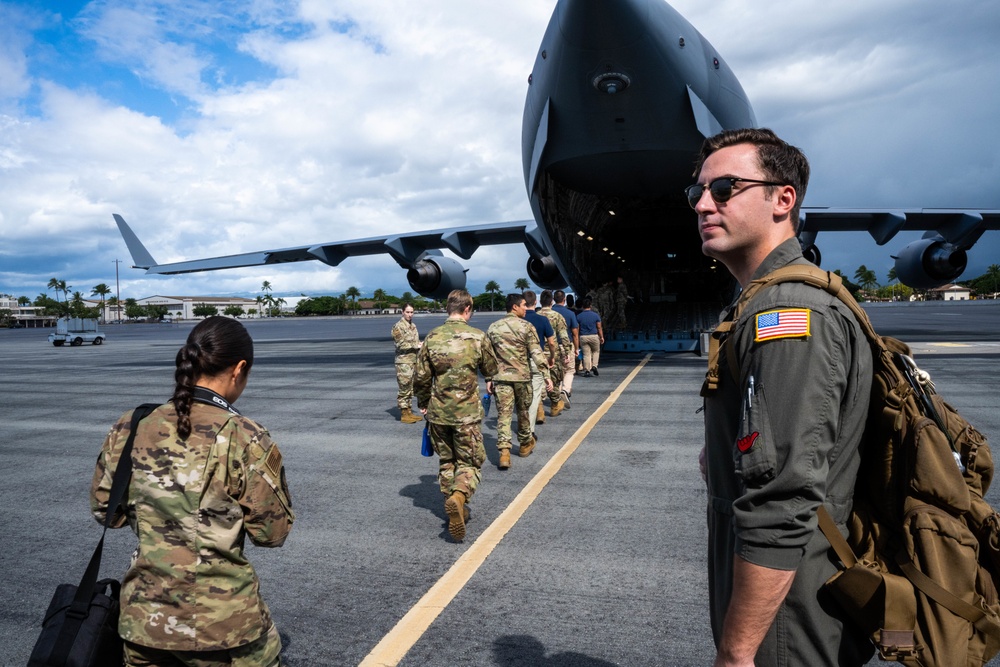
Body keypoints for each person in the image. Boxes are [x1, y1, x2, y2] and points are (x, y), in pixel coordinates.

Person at [692, 128, 873, 666]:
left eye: (724, 188)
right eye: (697, 192)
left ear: (783, 199)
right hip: (784, 598)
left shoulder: (790, 317)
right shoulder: (762, 304)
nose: (703, 204)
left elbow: (781, 501)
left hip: (788, 617)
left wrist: (738, 652)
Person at [91, 316, 294, 666]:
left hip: (145, 622)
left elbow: (105, 511)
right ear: (239, 369)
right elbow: (271, 533)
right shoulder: (243, 434)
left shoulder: (132, 423)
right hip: (225, 628)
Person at [413, 289, 498, 542]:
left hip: (438, 414)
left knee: (447, 461)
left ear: (448, 308)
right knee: (470, 463)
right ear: (468, 309)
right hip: (466, 415)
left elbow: (420, 377)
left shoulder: (432, 336)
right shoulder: (477, 337)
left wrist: (423, 402)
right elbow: (491, 369)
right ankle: (459, 497)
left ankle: (453, 502)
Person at [485, 293, 553, 470]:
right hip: (522, 378)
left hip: (501, 378)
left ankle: (504, 453)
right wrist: (546, 375)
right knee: (523, 412)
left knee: (504, 415)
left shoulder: (493, 327)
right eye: (523, 305)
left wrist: (488, 378)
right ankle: (524, 444)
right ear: (514, 307)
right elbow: (537, 353)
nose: (526, 308)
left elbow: (487, 357)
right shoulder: (526, 326)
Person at [521, 290, 557, 430]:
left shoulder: (519, 320)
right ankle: (532, 424)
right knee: (536, 392)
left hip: (519, 361)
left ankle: (534, 416)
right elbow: (552, 342)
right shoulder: (542, 319)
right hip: (537, 358)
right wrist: (551, 357)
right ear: (535, 302)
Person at [537, 289, 570, 413]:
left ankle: (539, 408)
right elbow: (564, 336)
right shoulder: (557, 316)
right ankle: (555, 405)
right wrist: (567, 352)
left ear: (540, 302)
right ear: (551, 301)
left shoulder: (536, 315)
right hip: (553, 354)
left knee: (539, 381)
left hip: (538, 353)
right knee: (554, 381)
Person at [392, 302, 422, 423]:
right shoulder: (398, 327)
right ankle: (404, 413)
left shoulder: (413, 326)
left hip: (413, 361)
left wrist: (420, 344)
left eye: (411, 312)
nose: (410, 314)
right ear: (402, 312)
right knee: (404, 387)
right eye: (408, 312)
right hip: (403, 362)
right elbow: (400, 344)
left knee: (411, 387)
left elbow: (415, 340)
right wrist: (417, 345)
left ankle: (409, 410)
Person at [551, 290, 579, 403]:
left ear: (553, 299)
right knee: (570, 369)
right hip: (566, 344)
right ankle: (565, 390)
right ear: (564, 300)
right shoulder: (570, 313)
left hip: (552, 346)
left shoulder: (549, 312)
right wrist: (576, 348)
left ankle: (557, 392)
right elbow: (575, 333)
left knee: (556, 370)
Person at [576, 297, 603, 377]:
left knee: (586, 354)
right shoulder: (595, 315)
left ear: (582, 306)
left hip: (583, 336)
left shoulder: (579, 316)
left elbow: (577, 329)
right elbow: (599, 327)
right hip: (594, 336)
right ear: (590, 306)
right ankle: (594, 366)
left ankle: (587, 370)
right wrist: (601, 337)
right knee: (596, 351)